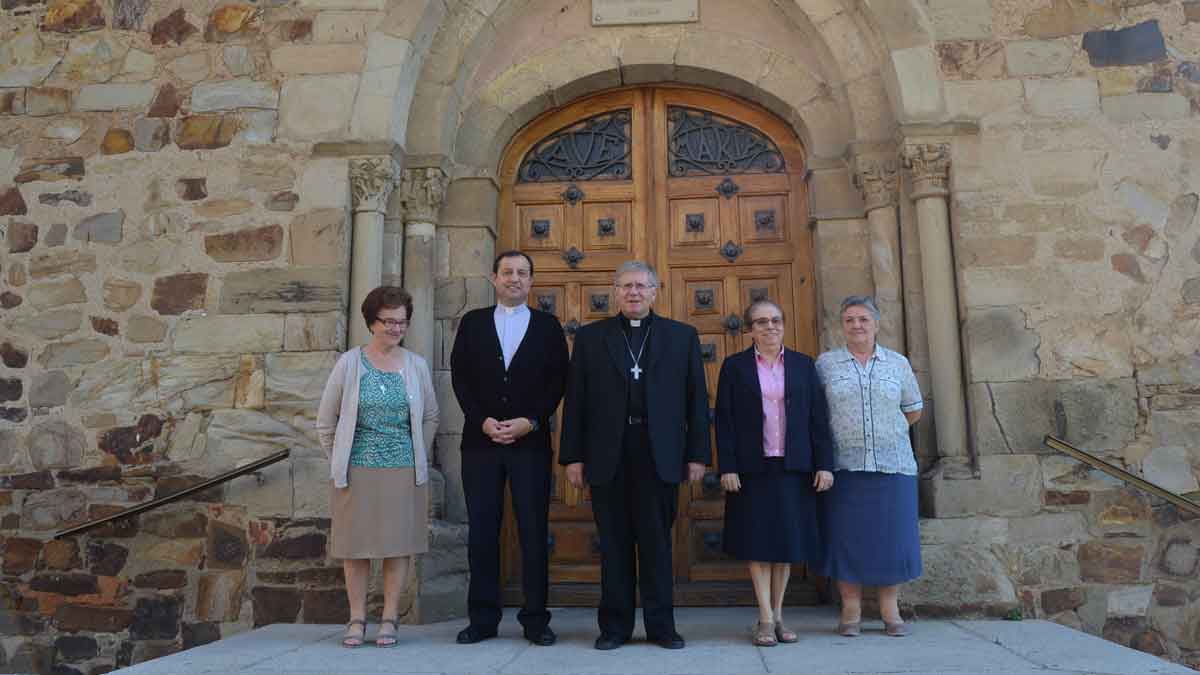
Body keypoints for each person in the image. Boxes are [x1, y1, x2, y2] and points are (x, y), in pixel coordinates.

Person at [559, 260, 710, 651]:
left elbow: (696, 401)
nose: (633, 292)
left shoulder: (682, 336)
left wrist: (697, 455)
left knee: (658, 542)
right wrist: (572, 458)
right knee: (613, 543)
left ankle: (662, 627)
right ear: (615, 291)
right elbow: (575, 402)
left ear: (655, 291)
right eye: (625, 286)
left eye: (641, 286)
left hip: (660, 452)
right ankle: (614, 627)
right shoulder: (592, 338)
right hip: (608, 451)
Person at [449, 251, 569, 646]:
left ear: (531, 281)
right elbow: (461, 378)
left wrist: (531, 421)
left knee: (533, 531)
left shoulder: (549, 327)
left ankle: (536, 619)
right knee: (483, 530)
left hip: (530, 444)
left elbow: (558, 382)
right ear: (494, 278)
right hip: (480, 444)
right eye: (507, 272)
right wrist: (481, 420)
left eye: (522, 273)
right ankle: (482, 618)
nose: (514, 279)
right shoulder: (473, 323)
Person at [316, 286, 440, 648]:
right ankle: (357, 619)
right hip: (356, 470)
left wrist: (417, 450)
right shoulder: (349, 364)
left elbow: (430, 416)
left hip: (403, 470)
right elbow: (326, 422)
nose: (396, 328)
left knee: (396, 546)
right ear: (371, 322)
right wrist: (340, 456)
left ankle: (389, 619)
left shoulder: (415, 365)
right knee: (354, 547)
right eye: (388, 321)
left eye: (401, 322)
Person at [715, 299, 835, 646]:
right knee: (758, 542)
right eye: (762, 322)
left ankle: (779, 616)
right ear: (750, 329)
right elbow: (724, 420)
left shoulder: (802, 365)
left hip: (794, 466)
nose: (770, 327)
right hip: (753, 468)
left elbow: (817, 418)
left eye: (776, 321)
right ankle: (764, 619)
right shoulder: (735, 367)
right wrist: (728, 466)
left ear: (783, 325)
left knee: (785, 544)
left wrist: (824, 464)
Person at [816, 295, 923, 638]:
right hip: (844, 466)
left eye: (863, 319)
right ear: (842, 326)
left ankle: (891, 610)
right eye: (850, 320)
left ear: (877, 324)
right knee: (847, 538)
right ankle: (851, 609)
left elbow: (913, 410)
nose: (857, 325)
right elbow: (816, 416)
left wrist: (886, 433)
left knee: (892, 538)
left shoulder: (898, 364)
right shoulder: (826, 365)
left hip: (893, 465)